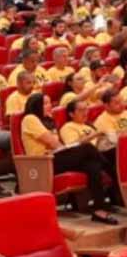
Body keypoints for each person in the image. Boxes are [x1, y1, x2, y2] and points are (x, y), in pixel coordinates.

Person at [20, 93, 116, 223]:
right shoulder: (30, 119)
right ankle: (116, 178)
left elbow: (57, 146)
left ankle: (99, 209)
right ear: (36, 105)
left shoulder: (47, 120)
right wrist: (69, 150)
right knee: (87, 148)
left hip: (55, 157)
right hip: (43, 163)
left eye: (49, 102)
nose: (50, 106)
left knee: (92, 165)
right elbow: (53, 143)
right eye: (45, 103)